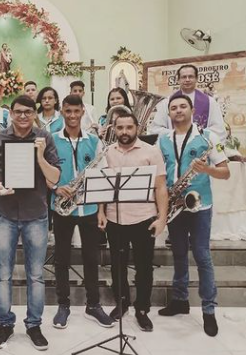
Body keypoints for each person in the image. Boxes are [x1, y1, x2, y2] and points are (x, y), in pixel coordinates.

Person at [0, 95, 61, 351]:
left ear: (34, 113)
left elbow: (54, 178)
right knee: (3, 274)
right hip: (4, 214)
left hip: (36, 214)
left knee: (36, 275)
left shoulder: (45, 138)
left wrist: (39, 156)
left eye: (28, 112)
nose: (23, 116)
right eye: (18, 112)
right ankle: (5, 324)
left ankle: (34, 325)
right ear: (11, 113)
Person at [157, 95, 230, 337]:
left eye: (182, 106)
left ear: (192, 109)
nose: (178, 110)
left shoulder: (209, 137)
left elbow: (225, 172)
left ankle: (209, 310)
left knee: (202, 256)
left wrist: (206, 169)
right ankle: (180, 300)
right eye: (173, 107)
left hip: (200, 206)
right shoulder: (162, 140)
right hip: (175, 204)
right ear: (169, 113)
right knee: (179, 254)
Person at [97, 112, 168, 332]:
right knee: (117, 266)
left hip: (143, 217)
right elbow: (102, 185)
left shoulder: (151, 151)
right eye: (120, 128)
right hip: (115, 218)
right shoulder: (107, 152)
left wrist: (162, 218)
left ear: (137, 128)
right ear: (114, 129)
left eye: (129, 127)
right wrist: (101, 211)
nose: (125, 132)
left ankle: (142, 308)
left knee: (144, 267)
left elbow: (160, 187)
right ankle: (122, 302)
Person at [51, 95, 114, 330]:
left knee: (91, 257)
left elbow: (103, 178)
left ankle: (93, 305)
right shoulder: (52, 140)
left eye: (76, 111)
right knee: (61, 258)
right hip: (63, 207)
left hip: (89, 208)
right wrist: (56, 188)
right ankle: (63, 305)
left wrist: (101, 210)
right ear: (62, 112)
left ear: (82, 112)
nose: (72, 116)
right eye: (68, 111)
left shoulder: (94, 141)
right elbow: (44, 172)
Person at [150, 64, 226, 143]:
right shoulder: (167, 102)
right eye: (184, 77)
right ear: (178, 80)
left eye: (190, 76)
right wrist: (177, 134)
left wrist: (196, 134)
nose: (187, 80)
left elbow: (219, 130)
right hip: (174, 146)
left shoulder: (210, 102)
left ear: (196, 79)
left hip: (201, 147)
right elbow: (155, 129)